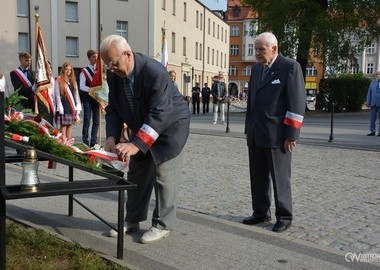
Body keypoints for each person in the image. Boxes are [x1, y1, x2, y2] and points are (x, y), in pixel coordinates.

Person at [99, 35, 190, 243]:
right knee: (137, 174)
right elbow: (112, 108)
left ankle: (162, 224)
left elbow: (160, 113)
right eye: (107, 66)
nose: (111, 70)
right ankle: (132, 220)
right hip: (142, 127)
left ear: (128, 55)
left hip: (169, 128)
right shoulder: (113, 75)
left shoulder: (154, 72)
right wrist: (112, 136)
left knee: (164, 176)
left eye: (113, 64)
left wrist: (135, 144)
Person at [243, 32, 306, 233]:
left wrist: (291, 135)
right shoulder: (256, 70)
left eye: (261, 50)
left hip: (278, 135)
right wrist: (248, 129)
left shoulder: (289, 67)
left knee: (280, 178)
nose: (257, 54)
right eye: (255, 49)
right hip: (256, 133)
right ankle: (261, 211)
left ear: (274, 49)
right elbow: (252, 102)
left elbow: (296, 103)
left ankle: (284, 216)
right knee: (258, 176)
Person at [54, 62, 82, 140]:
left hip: (71, 107)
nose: (68, 71)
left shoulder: (73, 81)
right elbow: (57, 95)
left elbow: (76, 95)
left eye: (70, 69)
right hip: (64, 106)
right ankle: (63, 143)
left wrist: (78, 106)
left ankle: (69, 144)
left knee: (70, 126)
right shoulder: (59, 80)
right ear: (63, 69)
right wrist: (60, 107)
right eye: (67, 69)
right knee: (63, 126)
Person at [79, 49, 100, 146]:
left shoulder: (99, 71)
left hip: (96, 98)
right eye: (93, 57)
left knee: (96, 120)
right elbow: (82, 86)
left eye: (96, 56)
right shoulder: (84, 71)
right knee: (87, 119)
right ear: (89, 58)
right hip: (88, 98)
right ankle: (85, 140)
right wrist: (92, 90)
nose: (95, 58)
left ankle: (94, 141)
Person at [365, 70, 380, 136]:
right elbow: (369, 93)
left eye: (378, 74)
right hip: (373, 103)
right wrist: (368, 102)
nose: (377, 75)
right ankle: (372, 131)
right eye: (376, 74)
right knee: (372, 118)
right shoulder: (372, 83)